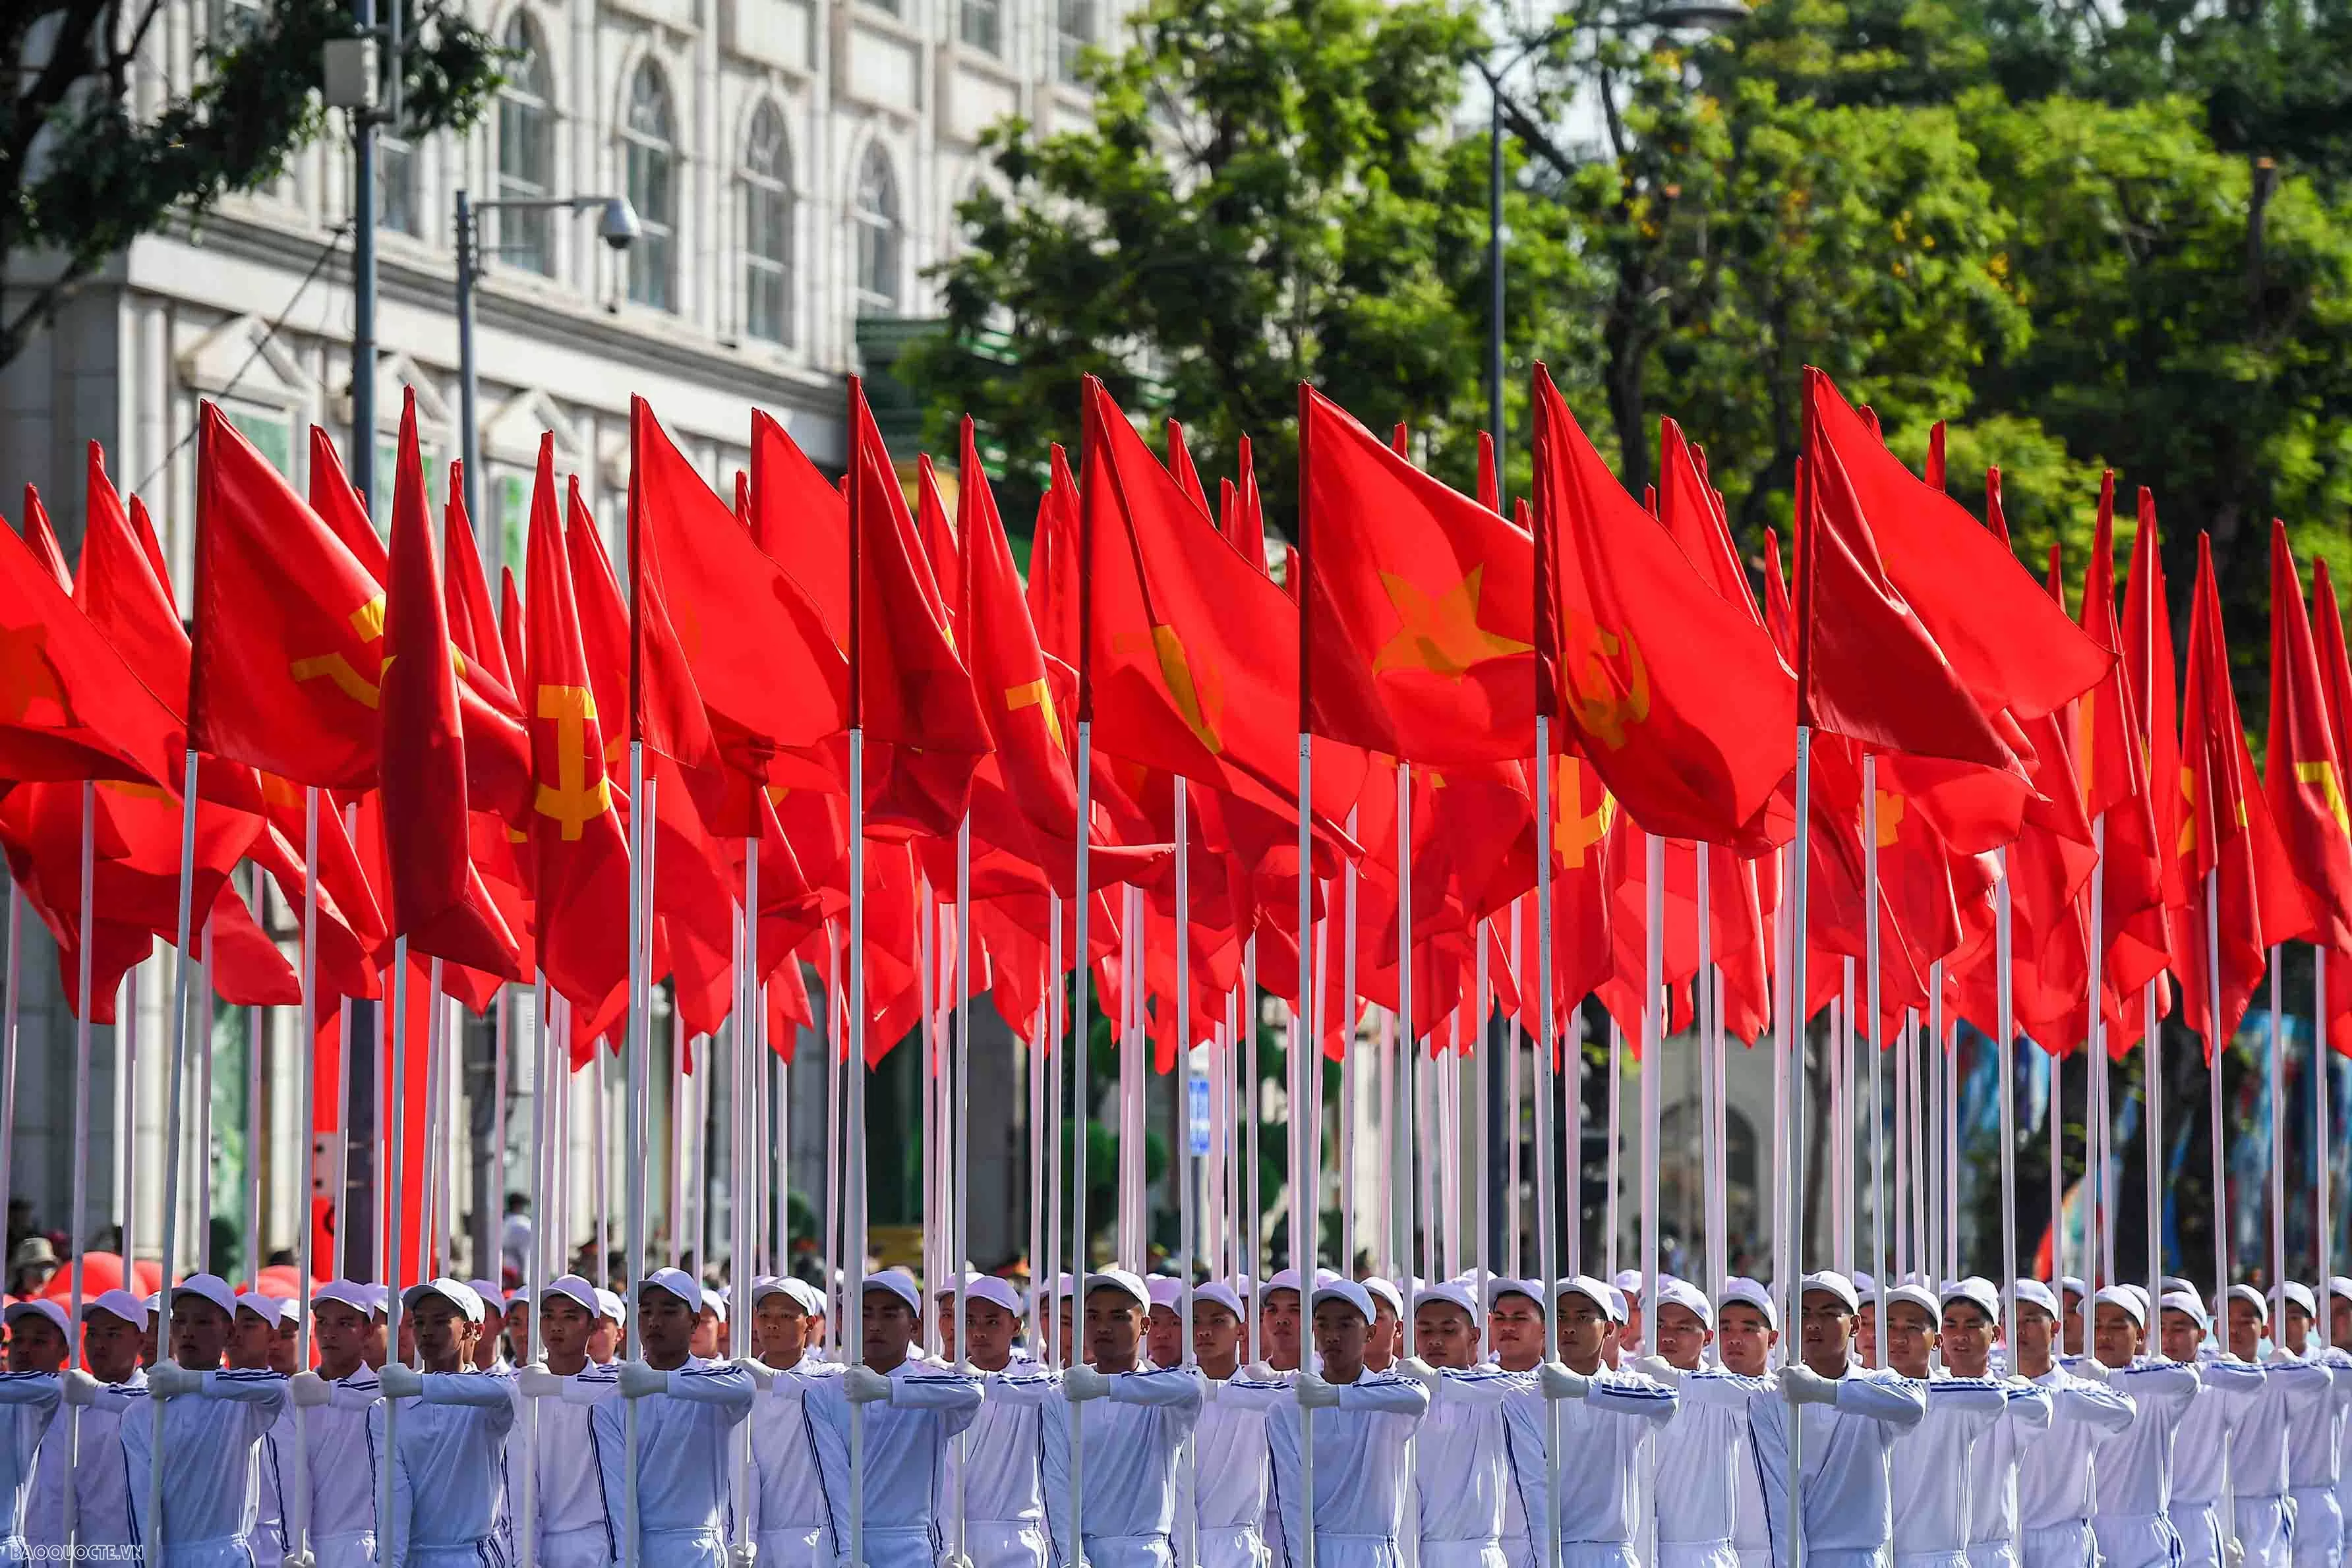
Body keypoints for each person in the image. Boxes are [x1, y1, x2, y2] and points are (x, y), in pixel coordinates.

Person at [1745, 1271, 1927, 1568]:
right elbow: (1780, 1508)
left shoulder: (1877, 1383)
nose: (1814, 1324)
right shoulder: (1769, 1397)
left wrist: (1823, 1391)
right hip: (1809, 1559)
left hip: (1865, 1557)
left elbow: (1913, 1406)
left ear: (1854, 1325)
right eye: (1803, 1314)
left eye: (1829, 1314)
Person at [804, 1270, 984, 1568]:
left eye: (889, 1315)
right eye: (864, 1314)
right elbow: (832, 1482)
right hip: (843, 1543)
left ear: (914, 1327)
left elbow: (972, 1392)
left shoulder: (931, 1385)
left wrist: (888, 1388)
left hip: (911, 1545)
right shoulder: (823, 1393)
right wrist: (846, 1553)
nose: (874, 1326)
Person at [120, 1272, 292, 1568]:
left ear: (229, 1333)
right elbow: (141, 1511)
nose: (188, 1332)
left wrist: (193, 1382)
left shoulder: (241, 1403)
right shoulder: (142, 1413)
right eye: (180, 1321)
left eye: (203, 1322)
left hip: (229, 1555)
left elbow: (276, 1388)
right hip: (171, 1557)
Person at [589, 1267, 757, 1568]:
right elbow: (616, 1495)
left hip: (700, 1548)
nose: (654, 1321)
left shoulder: (712, 1384)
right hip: (644, 1547)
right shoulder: (612, 1402)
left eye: (668, 1311)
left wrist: (662, 1383)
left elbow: (744, 1387)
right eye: (645, 1311)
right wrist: (625, 1560)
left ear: (693, 1321)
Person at [1044, 1268, 1205, 1568]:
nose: (1103, 1327)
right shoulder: (1060, 1397)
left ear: (1145, 1325)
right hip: (1084, 1554)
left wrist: (1106, 1386)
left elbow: (1193, 1388)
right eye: (1093, 1316)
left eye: (1119, 1316)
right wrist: (1072, 1558)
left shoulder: (1163, 1394)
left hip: (1147, 1554)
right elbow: (1056, 1484)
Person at [1266, 1277, 1430, 1568]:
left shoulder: (1388, 1398)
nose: (1331, 1336)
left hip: (1378, 1552)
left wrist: (1337, 1396)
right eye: (1323, 1325)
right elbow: (1291, 1504)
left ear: (1370, 1333)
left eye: (1345, 1325)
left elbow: (1418, 1396)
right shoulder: (1290, 1408)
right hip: (1320, 1552)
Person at [369, 1278, 521, 1568]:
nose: (427, 1332)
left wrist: (419, 1385)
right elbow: (393, 1498)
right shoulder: (388, 1410)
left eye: (440, 1321)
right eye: (419, 1322)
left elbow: (506, 1393)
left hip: (473, 1555)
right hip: (416, 1557)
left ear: (473, 1330)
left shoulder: (490, 1396)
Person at [1530, 1275, 1679, 1566]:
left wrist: (1586, 1389)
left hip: (1615, 1554)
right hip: (1555, 1553)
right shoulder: (1527, 1395)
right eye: (1560, 1317)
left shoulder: (1626, 1386)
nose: (1569, 1327)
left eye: (1584, 1317)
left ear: (1609, 1329)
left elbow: (1667, 1400)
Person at [1639, 1276, 1769, 1568]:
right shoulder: (1633, 1386)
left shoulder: (1723, 1389)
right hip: (1642, 1549)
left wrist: (1677, 1379)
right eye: (1660, 1325)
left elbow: (1759, 1395)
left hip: (1705, 1557)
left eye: (1683, 1328)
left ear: (1708, 1338)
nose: (1668, 1336)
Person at [2007, 1279, 2136, 1568]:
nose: (2020, 1329)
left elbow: (2125, 1412)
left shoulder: (2079, 1390)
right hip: (2006, 1541)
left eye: (2030, 1319)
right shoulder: (1993, 1391)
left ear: (2055, 1327)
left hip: (2062, 1543)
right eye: (2011, 1319)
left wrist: (2060, 1394)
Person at [1879, 1281, 2010, 1568]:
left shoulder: (1960, 1397)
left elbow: (1997, 1396)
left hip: (1940, 1558)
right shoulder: (1866, 1394)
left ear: (1937, 1340)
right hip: (1881, 1555)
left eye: (1913, 1327)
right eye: (1890, 1326)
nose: (1899, 1338)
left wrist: (1916, 1391)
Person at [936, 1273, 1059, 1568]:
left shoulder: (1035, 1377)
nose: (979, 1332)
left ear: (1015, 1326)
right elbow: (943, 1476)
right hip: (959, 1537)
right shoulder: (943, 1381)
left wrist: (980, 1381)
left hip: (1019, 1537)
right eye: (970, 1321)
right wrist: (949, 1545)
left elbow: (1055, 1389)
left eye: (992, 1322)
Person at [1933, 1277, 2051, 1568]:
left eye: (1973, 1325)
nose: (1961, 1335)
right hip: (1936, 1552)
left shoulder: (2015, 1394)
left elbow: (2041, 1407)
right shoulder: (1929, 1393)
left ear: (1996, 1332)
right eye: (1951, 1324)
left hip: (1991, 1552)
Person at [2082, 1285, 2201, 1568]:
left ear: (2140, 1336)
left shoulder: (2158, 1389)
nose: (2104, 1334)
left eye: (2116, 1325)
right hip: (2086, 1533)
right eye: (2096, 1325)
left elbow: (2189, 1380)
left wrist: (2114, 1379)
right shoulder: (2075, 1382)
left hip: (2142, 1535)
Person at [23, 1289, 146, 1552]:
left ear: (141, 1342)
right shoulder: (68, 1404)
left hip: (137, 1553)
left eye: (113, 1335)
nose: (99, 1344)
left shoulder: (153, 1398)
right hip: (81, 1553)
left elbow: (149, 1403)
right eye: (93, 1334)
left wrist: (95, 1394)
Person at [272, 1281, 382, 1568]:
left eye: (345, 1324)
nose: (330, 1333)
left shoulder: (384, 1396)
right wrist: (297, 1546)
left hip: (373, 1547)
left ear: (368, 1332)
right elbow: (291, 1477)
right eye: (322, 1322)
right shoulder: (295, 1395)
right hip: (308, 1551)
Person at [513, 1273, 616, 1568]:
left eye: (570, 1317)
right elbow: (521, 1488)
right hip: (538, 1543)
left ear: (594, 1325)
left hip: (598, 1547)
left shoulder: (613, 1390)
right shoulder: (521, 1389)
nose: (556, 1326)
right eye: (547, 1316)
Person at [745, 1276, 840, 1568]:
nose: (773, 1325)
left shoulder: (829, 1376)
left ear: (810, 1324)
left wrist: (772, 1380)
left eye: (787, 1317)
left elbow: (834, 1388)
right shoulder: (739, 1380)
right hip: (749, 1541)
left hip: (809, 1542)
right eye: (765, 1316)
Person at [1189, 1281, 1281, 1568]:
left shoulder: (1264, 1392)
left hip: (1240, 1546)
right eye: (1195, 1321)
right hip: (1181, 1542)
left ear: (1241, 1331)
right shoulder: (1174, 1391)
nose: (1204, 1331)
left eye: (1218, 1321)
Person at [2272, 1282, 2352, 1568]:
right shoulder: (2280, 1371)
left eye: (2342, 1311)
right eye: (2327, 1313)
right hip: (2304, 1502)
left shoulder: (2334, 1369)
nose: (2335, 1321)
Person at [1714, 1279, 1780, 1568]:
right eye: (1726, 1328)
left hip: (1770, 1552)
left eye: (1749, 1329)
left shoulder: (1787, 1397)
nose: (1734, 1339)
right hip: (1713, 1551)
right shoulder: (1695, 1395)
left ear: (1773, 1338)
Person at [1260, 1271, 1306, 1374]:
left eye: (1295, 1310)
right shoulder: (1249, 1380)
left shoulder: (1329, 1379)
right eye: (1272, 1309)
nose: (1281, 1320)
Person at [1146, 1278, 1187, 1370]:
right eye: (1154, 1323)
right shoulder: (1130, 1377)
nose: (1162, 1334)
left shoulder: (1206, 1378)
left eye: (1174, 1323)